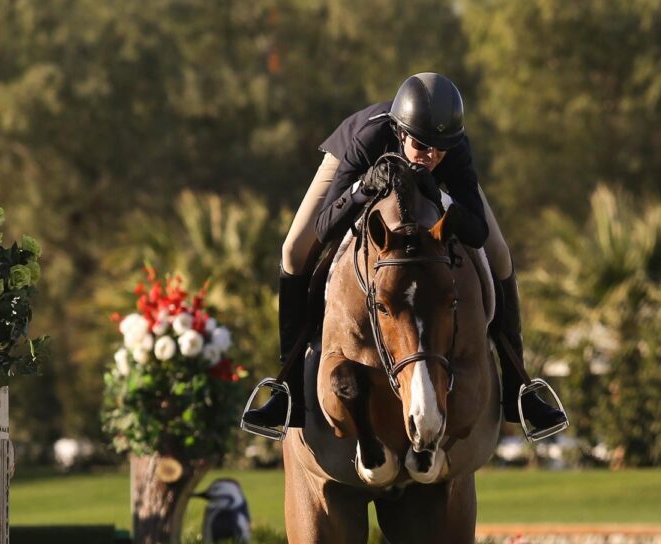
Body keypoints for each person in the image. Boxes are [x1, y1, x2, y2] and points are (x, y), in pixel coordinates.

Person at [242, 72, 566, 439]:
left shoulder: (452, 150)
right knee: (292, 250)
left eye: (440, 150)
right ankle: (288, 393)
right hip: (353, 161)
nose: (432, 156)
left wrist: (437, 191)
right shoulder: (370, 138)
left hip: (427, 192)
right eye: (423, 147)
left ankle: (518, 391)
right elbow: (325, 226)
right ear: (400, 133)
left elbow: (476, 231)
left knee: (502, 257)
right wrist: (363, 189)